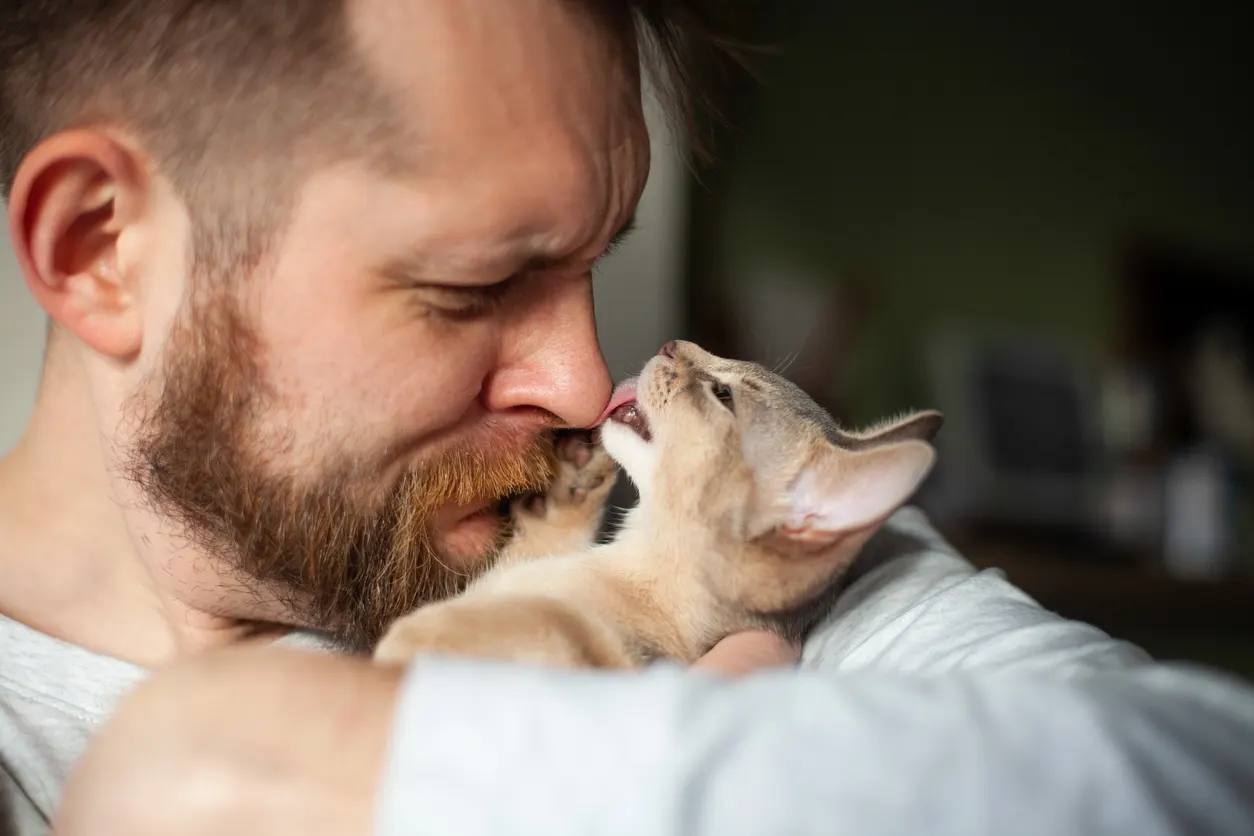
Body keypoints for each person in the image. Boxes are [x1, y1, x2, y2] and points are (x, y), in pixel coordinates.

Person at [1, 2, 1252, 835]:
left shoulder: (674, 531)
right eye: (475, 285)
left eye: (595, 260)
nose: (585, 378)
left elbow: (1209, 769)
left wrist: (273, 763)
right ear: (100, 249)